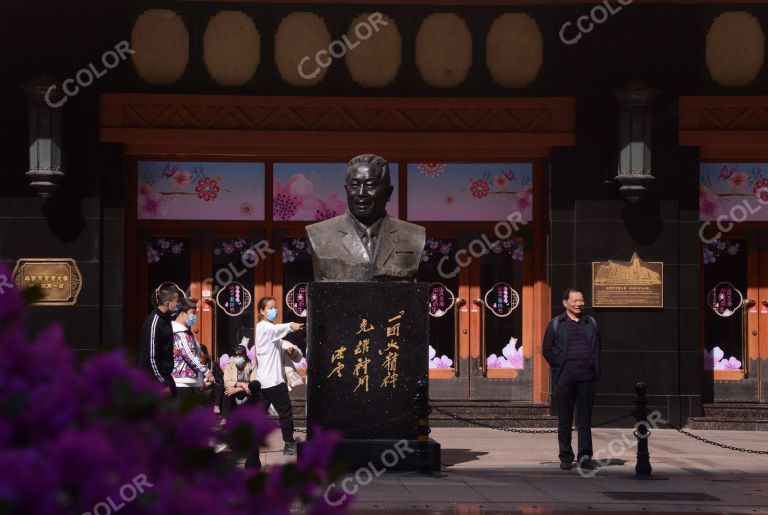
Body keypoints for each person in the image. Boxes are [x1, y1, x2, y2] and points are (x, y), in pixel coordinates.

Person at [306, 154, 426, 282]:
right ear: (346, 190)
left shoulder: (413, 235)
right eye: (354, 185)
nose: (361, 193)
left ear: (388, 192)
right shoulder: (320, 234)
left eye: (370, 185)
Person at [542, 287, 602, 471]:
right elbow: (547, 349)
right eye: (575, 301)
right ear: (565, 302)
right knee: (565, 419)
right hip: (565, 378)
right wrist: (559, 366)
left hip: (587, 377)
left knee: (585, 420)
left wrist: (595, 369)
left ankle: (585, 457)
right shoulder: (556, 324)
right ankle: (566, 457)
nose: (578, 304)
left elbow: (598, 348)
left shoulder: (590, 323)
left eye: (581, 300)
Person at [255, 296, 303, 455]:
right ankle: (289, 443)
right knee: (286, 411)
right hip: (273, 381)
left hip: (264, 380)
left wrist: (292, 351)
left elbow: (288, 347)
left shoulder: (273, 333)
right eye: (269, 307)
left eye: (275, 307)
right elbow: (275, 331)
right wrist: (290, 325)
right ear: (261, 311)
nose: (273, 310)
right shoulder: (263, 327)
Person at [139, 284, 179, 397]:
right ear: (167, 303)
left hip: (165, 375)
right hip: (153, 380)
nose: (177, 304)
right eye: (176, 301)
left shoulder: (165, 319)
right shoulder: (154, 323)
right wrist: (162, 383)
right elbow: (151, 357)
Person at [171, 297, 213, 400]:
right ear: (182, 314)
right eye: (192, 313)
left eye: (195, 313)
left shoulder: (186, 332)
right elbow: (188, 354)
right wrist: (206, 372)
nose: (194, 316)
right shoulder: (180, 333)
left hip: (187, 381)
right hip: (181, 382)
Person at [199, 344, 224, 415]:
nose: (199, 357)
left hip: (211, 390)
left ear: (206, 354)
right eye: (197, 354)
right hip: (197, 389)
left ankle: (216, 405)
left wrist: (211, 381)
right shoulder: (192, 365)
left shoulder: (213, 365)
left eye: (201, 354)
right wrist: (203, 384)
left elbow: (220, 379)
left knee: (219, 382)